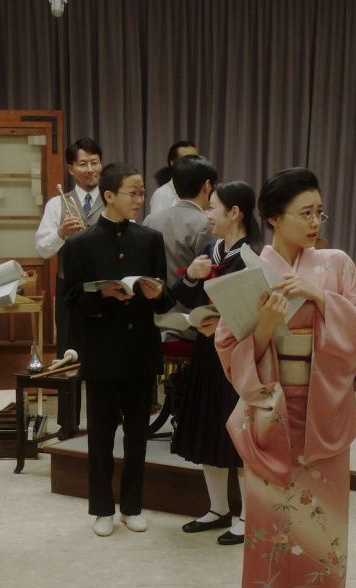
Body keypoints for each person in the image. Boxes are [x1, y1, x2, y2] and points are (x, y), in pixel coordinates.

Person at [215, 167, 356, 588]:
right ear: (273, 218)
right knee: (269, 524)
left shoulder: (335, 264)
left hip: (323, 408)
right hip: (272, 410)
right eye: (304, 213)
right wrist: (265, 324)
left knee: (319, 526)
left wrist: (319, 296)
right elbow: (229, 345)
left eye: (318, 212)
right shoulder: (248, 271)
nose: (314, 222)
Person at [62, 162, 173, 537]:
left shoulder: (150, 239)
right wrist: (101, 295)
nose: (140, 199)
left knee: (138, 435)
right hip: (102, 349)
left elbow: (165, 297)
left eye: (142, 193)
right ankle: (102, 509)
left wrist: (157, 295)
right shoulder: (80, 244)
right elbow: (71, 299)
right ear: (109, 195)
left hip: (141, 349)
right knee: (100, 435)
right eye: (133, 193)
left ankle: (132, 505)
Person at [171, 180, 261, 545]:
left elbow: (256, 313)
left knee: (239, 433)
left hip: (239, 355)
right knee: (209, 427)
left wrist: (221, 323)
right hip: (207, 353)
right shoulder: (211, 249)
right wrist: (192, 277)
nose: (208, 215)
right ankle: (218, 507)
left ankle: (247, 515)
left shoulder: (252, 256)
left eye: (213, 208)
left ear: (234, 213)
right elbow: (182, 295)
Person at [36, 137, 104, 355]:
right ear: (71, 169)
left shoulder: (112, 200)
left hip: (105, 284)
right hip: (69, 286)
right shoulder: (56, 204)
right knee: (69, 350)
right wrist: (61, 233)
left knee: (103, 350)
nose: (90, 169)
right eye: (83, 164)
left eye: (95, 163)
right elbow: (42, 249)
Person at [143, 154, 218, 289]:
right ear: (207, 186)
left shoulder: (150, 220)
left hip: (155, 299)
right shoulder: (206, 224)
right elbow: (209, 275)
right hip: (188, 301)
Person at [147, 140, 199, 217]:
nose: (194, 164)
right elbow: (157, 223)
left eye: (196, 159)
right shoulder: (162, 194)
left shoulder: (201, 191)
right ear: (172, 163)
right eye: (187, 160)